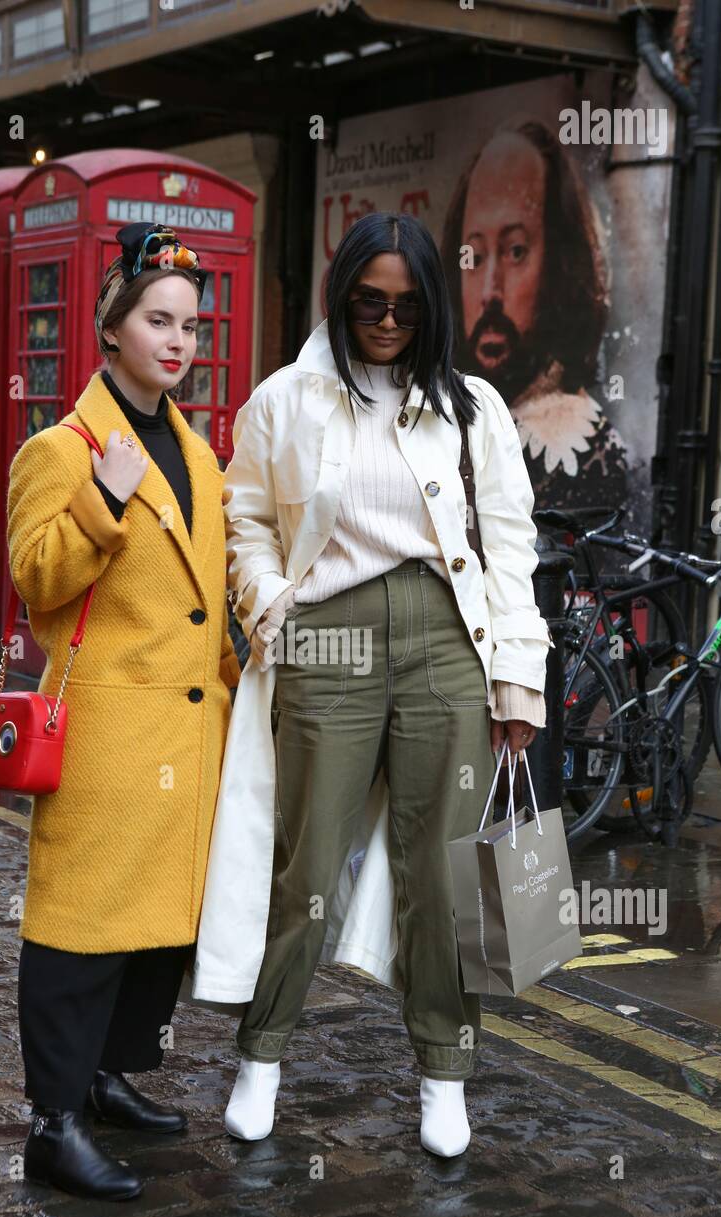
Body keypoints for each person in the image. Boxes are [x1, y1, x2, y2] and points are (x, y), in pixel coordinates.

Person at [192, 212, 552, 1158]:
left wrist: (518, 678)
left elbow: (510, 547)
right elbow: (247, 520)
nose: (387, 320)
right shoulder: (283, 401)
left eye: (406, 303)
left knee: (444, 874)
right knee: (306, 863)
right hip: (329, 640)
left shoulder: (475, 407)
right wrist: (273, 608)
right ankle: (261, 1056)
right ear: (342, 294)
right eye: (368, 301)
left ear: (431, 303)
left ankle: (444, 1074)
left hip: (446, 641)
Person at [6, 224, 241, 1200]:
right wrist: (100, 508)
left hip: (187, 736)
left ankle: (104, 1081)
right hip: (104, 735)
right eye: (158, 320)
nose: (179, 341)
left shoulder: (198, 453)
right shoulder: (60, 448)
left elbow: (209, 592)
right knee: (78, 932)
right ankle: (53, 1125)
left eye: (190, 324)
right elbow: (32, 580)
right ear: (111, 328)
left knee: (155, 931)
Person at [440, 118, 629, 512]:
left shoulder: (583, 450)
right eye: (473, 256)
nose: (490, 292)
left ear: (560, 263)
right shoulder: (441, 411)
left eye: (516, 252)